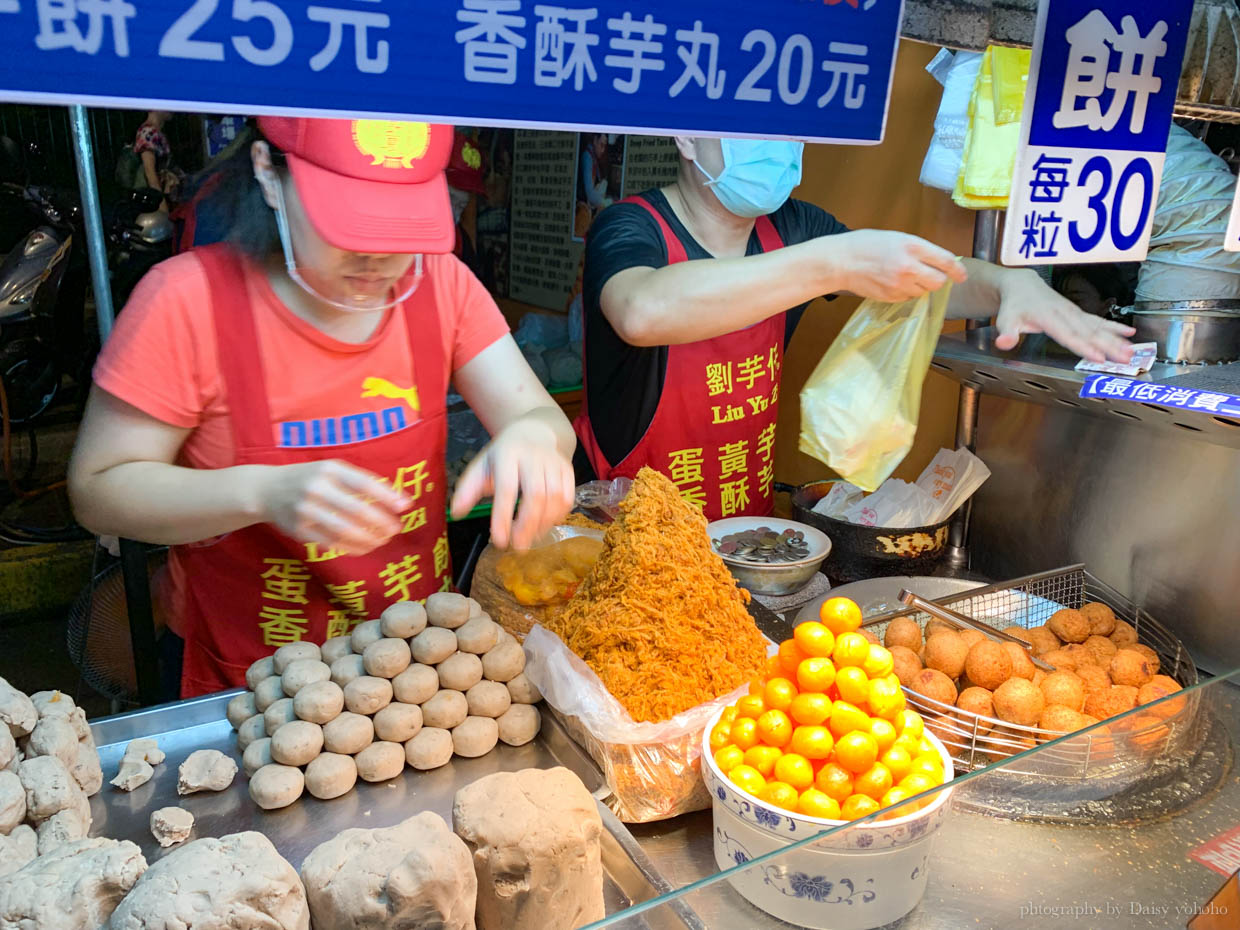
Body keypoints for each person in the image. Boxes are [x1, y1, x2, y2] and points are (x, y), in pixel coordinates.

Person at [68, 118, 576, 698]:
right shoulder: (185, 301)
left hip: (419, 661)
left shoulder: (444, 285)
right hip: (252, 680)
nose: (378, 257)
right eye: (349, 222)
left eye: (401, 227)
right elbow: (97, 491)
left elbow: (542, 420)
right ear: (268, 174)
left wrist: (535, 439)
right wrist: (261, 493)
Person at [575, 136, 1136, 520]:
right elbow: (641, 312)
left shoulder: (795, 226)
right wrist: (831, 262)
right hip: (625, 527)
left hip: (741, 527)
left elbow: (918, 276)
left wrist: (1010, 285)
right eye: (752, 130)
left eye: (788, 131)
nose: (773, 146)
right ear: (688, 138)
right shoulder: (629, 225)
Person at [132, 111, 180, 210]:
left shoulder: (157, 132)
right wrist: (162, 207)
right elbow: (150, 174)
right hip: (157, 203)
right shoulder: (148, 132)